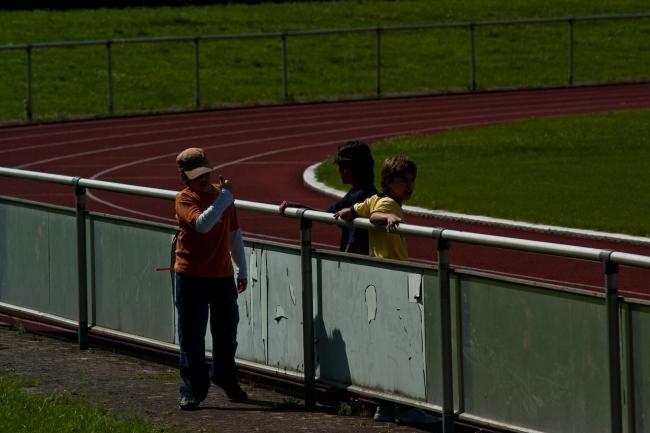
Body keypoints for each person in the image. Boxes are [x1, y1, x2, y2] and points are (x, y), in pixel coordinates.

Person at [334, 156, 439, 427]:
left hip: (381, 279)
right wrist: (388, 216)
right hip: (394, 279)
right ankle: (406, 407)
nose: (409, 185)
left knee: (387, 344)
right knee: (405, 345)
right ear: (388, 181)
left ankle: (385, 405)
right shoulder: (388, 203)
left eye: (412, 179)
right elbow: (378, 214)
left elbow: (358, 209)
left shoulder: (375, 197)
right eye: (402, 180)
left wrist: (351, 213)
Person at [174, 147, 248, 411]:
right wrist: (226, 197)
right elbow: (203, 225)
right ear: (184, 178)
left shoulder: (222, 197)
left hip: (221, 275)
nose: (203, 179)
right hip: (191, 275)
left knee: (226, 332)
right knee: (192, 335)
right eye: (196, 176)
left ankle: (225, 377)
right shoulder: (185, 199)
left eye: (206, 173)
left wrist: (242, 269)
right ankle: (192, 389)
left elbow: (234, 234)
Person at [280, 140, 377, 254]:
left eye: (339, 166)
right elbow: (327, 216)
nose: (337, 170)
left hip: (360, 266)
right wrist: (298, 207)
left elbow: (355, 242)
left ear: (347, 169)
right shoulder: (358, 192)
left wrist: (343, 264)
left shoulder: (361, 196)